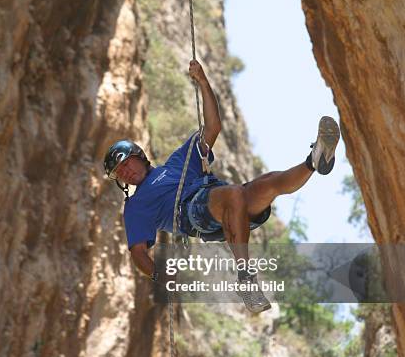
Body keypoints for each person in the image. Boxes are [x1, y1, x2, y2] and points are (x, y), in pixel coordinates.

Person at [104, 60, 340, 313]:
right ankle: (246, 279)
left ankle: (314, 161)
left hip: (224, 205)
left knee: (268, 183)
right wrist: (158, 275)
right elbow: (138, 253)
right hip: (193, 214)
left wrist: (203, 82)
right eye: (121, 173)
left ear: (140, 156)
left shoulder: (177, 162)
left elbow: (213, 127)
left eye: (127, 164)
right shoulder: (135, 206)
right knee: (235, 194)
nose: (126, 173)